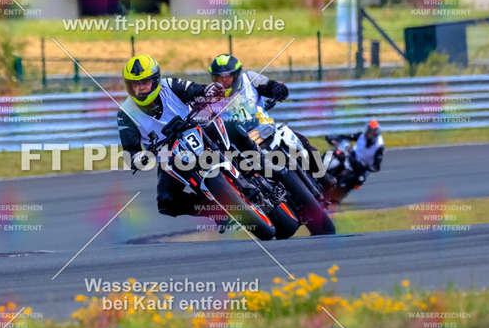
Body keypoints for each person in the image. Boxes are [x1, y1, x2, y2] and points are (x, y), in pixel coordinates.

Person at [206, 54, 336, 190]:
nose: (224, 80)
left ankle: (323, 176)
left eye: (228, 76)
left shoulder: (249, 78)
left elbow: (269, 85)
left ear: (236, 74)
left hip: (265, 126)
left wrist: (277, 88)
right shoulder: (210, 98)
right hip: (243, 143)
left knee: (298, 139)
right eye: (219, 77)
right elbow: (208, 123)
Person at [117, 54, 224, 217]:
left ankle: (260, 169)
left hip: (195, 130)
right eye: (135, 84)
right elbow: (130, 151)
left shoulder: (171, 86)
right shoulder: (125, 113)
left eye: (145, 82)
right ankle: (216, 211)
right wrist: (138, 159)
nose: (140, 88)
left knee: (231, 127)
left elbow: (197, 90)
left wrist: (208, 90)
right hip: (168, 157)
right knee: (167, 202)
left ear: (155, 80)